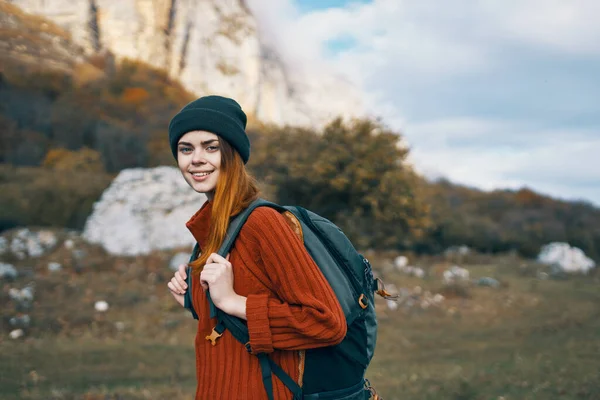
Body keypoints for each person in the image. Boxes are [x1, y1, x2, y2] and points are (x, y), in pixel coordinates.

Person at [166, 95, 347, 399]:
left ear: (233, 153)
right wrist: (192, 299)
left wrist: (233, 301)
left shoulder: (262, 223)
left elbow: (326, 322)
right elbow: (231, 326)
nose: (196, 159)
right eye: (186, 149)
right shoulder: (213, 229)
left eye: (211, 147)